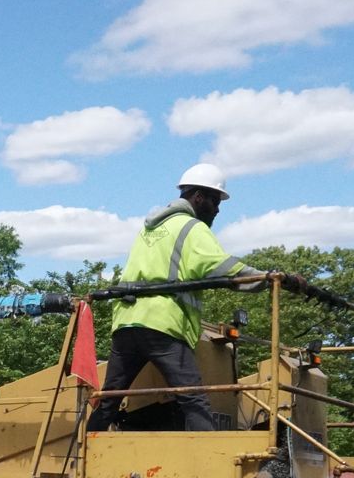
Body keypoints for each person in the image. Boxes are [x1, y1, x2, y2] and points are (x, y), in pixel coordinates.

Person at [87, 163, 305, 432]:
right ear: (198, 197)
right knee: (193, 397)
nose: (217, 209)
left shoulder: (150, 230)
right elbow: (221, 268)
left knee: (110, 397)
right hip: (162, 324)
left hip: (127, 324)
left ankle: (82, 455)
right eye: (215, 201)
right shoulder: (192, 228)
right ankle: (215, 459)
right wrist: (271, 278)